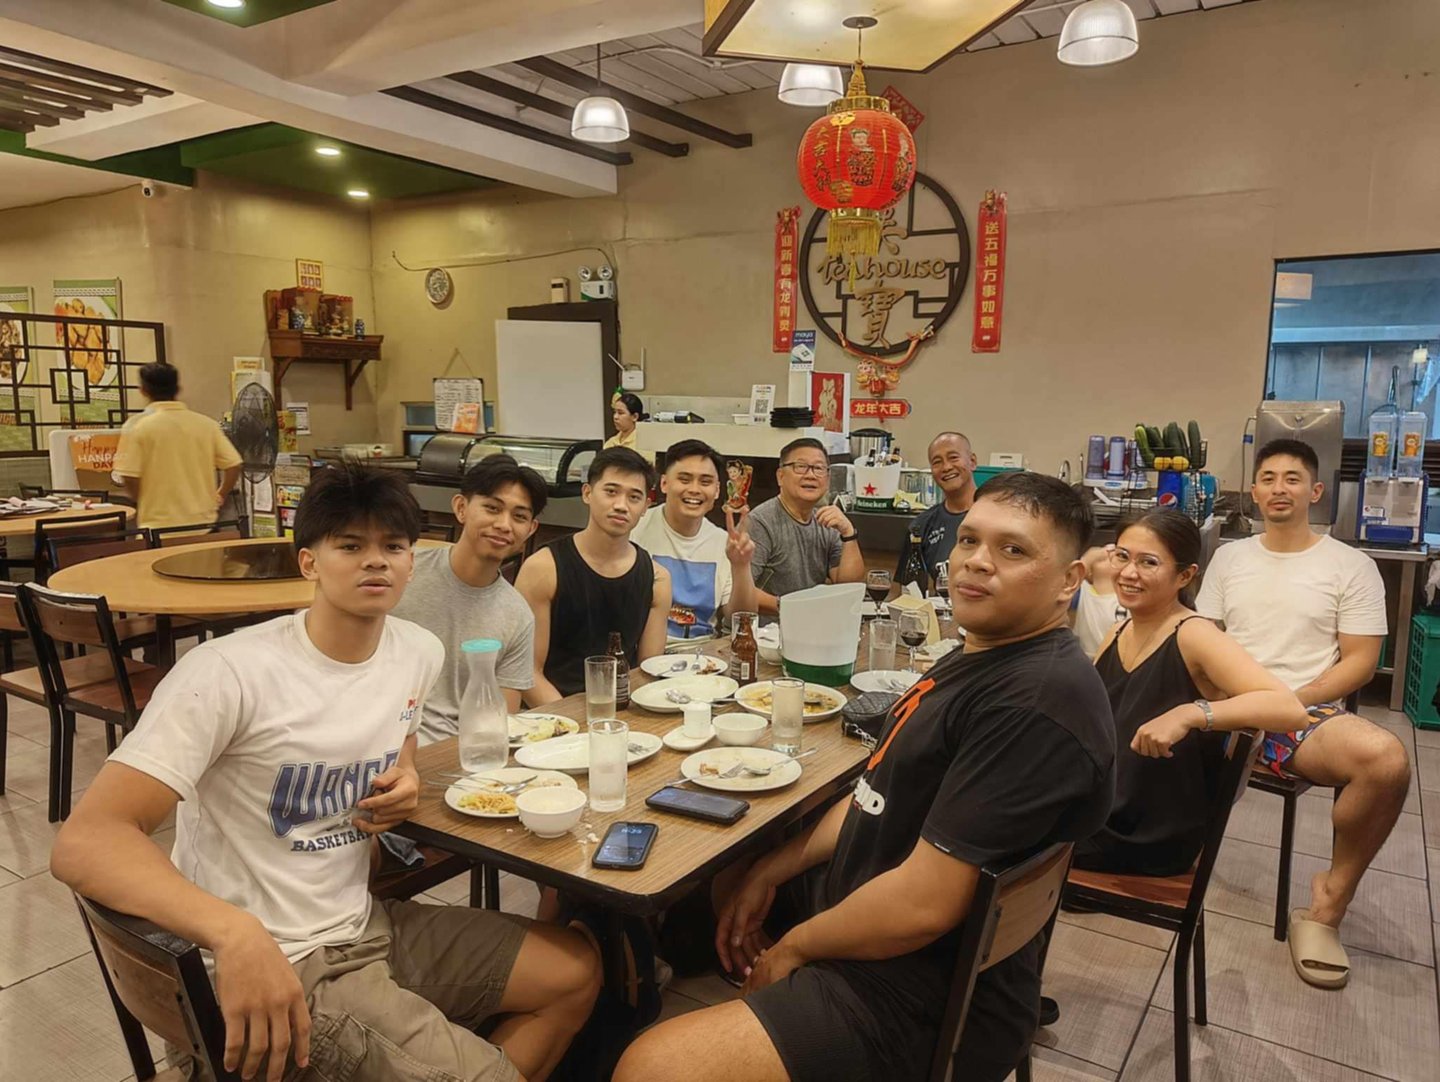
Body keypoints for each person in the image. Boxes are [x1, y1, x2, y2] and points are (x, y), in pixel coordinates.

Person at [50, 464, 600, 1082]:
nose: (376, 561)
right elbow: (86, 842)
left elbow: (400, 751)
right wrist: (232, 932)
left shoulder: (416, 652)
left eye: (393, 546)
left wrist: (407, 782)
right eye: (350, 546)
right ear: (309, 562)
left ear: (411, 562)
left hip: (364, 924)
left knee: (576, 972)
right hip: (278, 959)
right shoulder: (228, 672)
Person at [614, 472, 1116, 1082]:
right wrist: (771, 871)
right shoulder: (981, 653)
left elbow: (924, 905)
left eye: (1013, 550)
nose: (977, 562)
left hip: (920, 987)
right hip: (873, 912)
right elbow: (872, 794)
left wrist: (795, 948)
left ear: (1069, 580)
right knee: (732, 876)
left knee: (650, 1064)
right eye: (969, 541)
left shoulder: (1032, 704)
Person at [1196, 437, 1412, 990]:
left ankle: (1328, 905)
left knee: (1386, 760)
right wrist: (1225, 701)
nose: (1279, 488)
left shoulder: (1351, 565)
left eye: (1292, 479)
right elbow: (1203, 637)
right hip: (1229, 702)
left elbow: (1361, 662)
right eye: (1268, 478)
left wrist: (1289, 702)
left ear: (1315, 492)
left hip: (1303, 714)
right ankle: (1128, 860)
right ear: (1253, 491)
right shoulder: (1229, 557)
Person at [1077, 510, 1308, 875]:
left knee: (1007, 837)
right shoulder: (1117, 632)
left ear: (1184, 576)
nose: (1129, 573)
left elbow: (1289, 708)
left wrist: (1191, 714)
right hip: (1106, 808)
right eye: (1121, 556)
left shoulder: (1193, 634)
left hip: (1146, 831)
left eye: (1148, 562)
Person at [390, 454, 545, 743]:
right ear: (461, 508)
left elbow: (500, 723)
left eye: (519, 517)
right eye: (492, 508)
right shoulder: (403, 572)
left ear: (531, 529)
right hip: (378, 744)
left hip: (461, 753)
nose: (504, 524)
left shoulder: (518, 615)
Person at [517, 446, 671, 704]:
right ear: (587, 493)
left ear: (646, 506)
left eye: (634, 497)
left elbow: (648, 671)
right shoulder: (542, 568)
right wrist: (574, 722)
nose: (621, 505)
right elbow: (528, 672)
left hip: (626, 709)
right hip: (554, 714)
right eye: (611, 492)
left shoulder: (658, 578)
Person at [632, 438, 759, 641]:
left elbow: (742, 618)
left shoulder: (724, 542)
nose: (694, 489)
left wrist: (741, 566)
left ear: (717, 490)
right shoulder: (634, 528)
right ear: (664, 483)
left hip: (703, 653)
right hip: (641, 649)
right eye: (684, 479)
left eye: (705, 482)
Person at [113, 362, 243, 529]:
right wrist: (220, 495)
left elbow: (129, 476)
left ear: (143, 390)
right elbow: (234, 464)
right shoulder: (206, 424)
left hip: (158, 526)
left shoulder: (137, 427)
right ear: (178, 389)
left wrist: (143, 499)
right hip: (204, 525)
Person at [748, 437, 866, 614]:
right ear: (780, 476)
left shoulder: (827, 521)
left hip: (810, 622)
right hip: (766, 626)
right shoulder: (760, 521)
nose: (810, 475)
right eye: (801, 466)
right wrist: (794, 607)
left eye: (818, 468)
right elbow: (738, 589)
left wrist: (848, 533)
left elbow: (848, 588)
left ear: (827, 479)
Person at [901, 431, 979, 584]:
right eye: (937, 462)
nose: (946, 467)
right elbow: (908, 587)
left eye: (953, 458)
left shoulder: (997, 515)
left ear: (972, 461)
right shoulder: (921, 525)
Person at [1071, 544, 1121, 657]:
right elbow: (1062, 586)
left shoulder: (1125, 597)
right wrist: (1087, 559)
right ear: (1088, 572)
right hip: (1086, 657)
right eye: (1101, 559)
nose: (1110, 554)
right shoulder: (1082, 592)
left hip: (1116, 657)